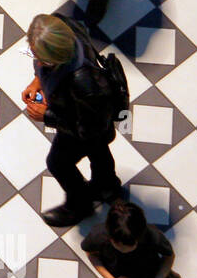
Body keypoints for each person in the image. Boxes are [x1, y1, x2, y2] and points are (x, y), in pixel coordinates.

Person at [22, 13, 123, 228]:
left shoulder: (84, 85)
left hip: (85, 122)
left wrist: (46, 116)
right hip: (91, 115)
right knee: (98, 150)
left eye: (41, 58)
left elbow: (88, 130)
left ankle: (80, 204)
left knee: (58, 163)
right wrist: (38, 81)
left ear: (56, 58)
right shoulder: (65, 26)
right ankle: (107, 186)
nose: (36, 59)